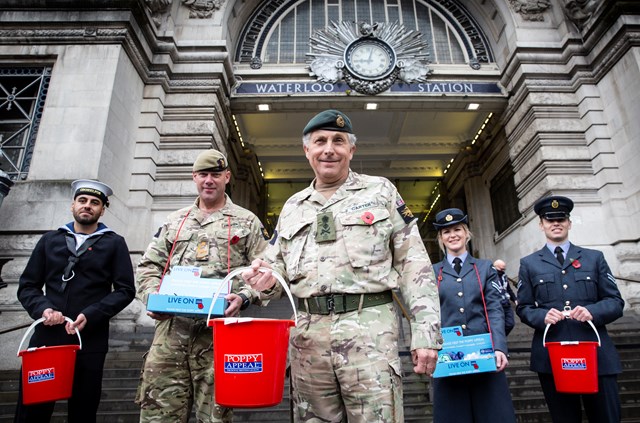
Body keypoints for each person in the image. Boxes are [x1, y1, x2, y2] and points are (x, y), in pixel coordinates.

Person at [241, 109, 443, 422]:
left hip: (370, 335)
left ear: (351, 149)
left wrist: (426, 334)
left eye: (339, 140)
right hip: (308, 341)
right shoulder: (293, 207)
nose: (329, 148)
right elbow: (274, 268)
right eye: (320, 141)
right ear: (307, 151)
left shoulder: (380, 192)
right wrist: (259, 282)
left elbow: (413, 265)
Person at [135, 149, 269, 422]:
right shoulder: (175, 221)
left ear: (227, 177)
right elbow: (149, 267)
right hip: (170, 334)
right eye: (203, 174)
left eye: (216, 174)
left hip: (220, 336)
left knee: (215, 417)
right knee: (158, 415)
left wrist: (244, 296)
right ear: (194, 177)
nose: (210, 180)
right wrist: (152, 297)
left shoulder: (247, 222)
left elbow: (266, 273)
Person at [15, 179, 136, 422]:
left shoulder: (114, 243)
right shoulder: (50, 240)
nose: (88, 206)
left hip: (89, 342)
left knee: (83, 410)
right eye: (82, 201)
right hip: (46, 340)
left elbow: (125, 290)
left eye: (95, 202)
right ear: (72, 206)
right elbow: (28, 286)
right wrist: (44, 309)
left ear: (103, 209)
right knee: (32, 410)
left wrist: (92, 314)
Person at [516, 195, 624, 423]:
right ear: (541, 224)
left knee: (607, 417)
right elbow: (523, 307)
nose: (556, 223)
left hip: (596, 354)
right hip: (553, 357)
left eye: (561, 219)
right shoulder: (529, 263)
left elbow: (615, 301)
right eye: (549, 219)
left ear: (569, 222)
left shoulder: (594, 258)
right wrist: (542, 315)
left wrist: (592, 311)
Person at [431, 208, 516, 423]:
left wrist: (499, 347)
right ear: (440, 238)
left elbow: (495, 309)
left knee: (494, 416)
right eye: (446, 232)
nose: (453, 235)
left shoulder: (485, 267)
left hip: (485, 357)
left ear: (467, 233)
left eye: (457, 229)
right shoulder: (432, 272)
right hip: (448, 359)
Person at [493, 259, 517, 335]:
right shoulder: (490, 276)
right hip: (496, 304)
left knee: (510, 323)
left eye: (504, 269)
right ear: (495, 267)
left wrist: (515, 299)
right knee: (498, 325)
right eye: (501, 269)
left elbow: (508, 289)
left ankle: (501, 338)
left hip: (506, 303)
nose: (503, 271)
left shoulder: (504, 277)